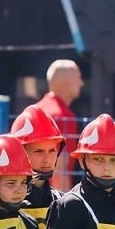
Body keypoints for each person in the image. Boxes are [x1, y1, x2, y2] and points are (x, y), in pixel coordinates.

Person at [36, 59, 83, 191]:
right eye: (78, 78)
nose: (81, 83)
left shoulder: (35, 110)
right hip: (50, 196)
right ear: (65, 83)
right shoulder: (62, 116)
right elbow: (59, 169)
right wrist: (64, 206)